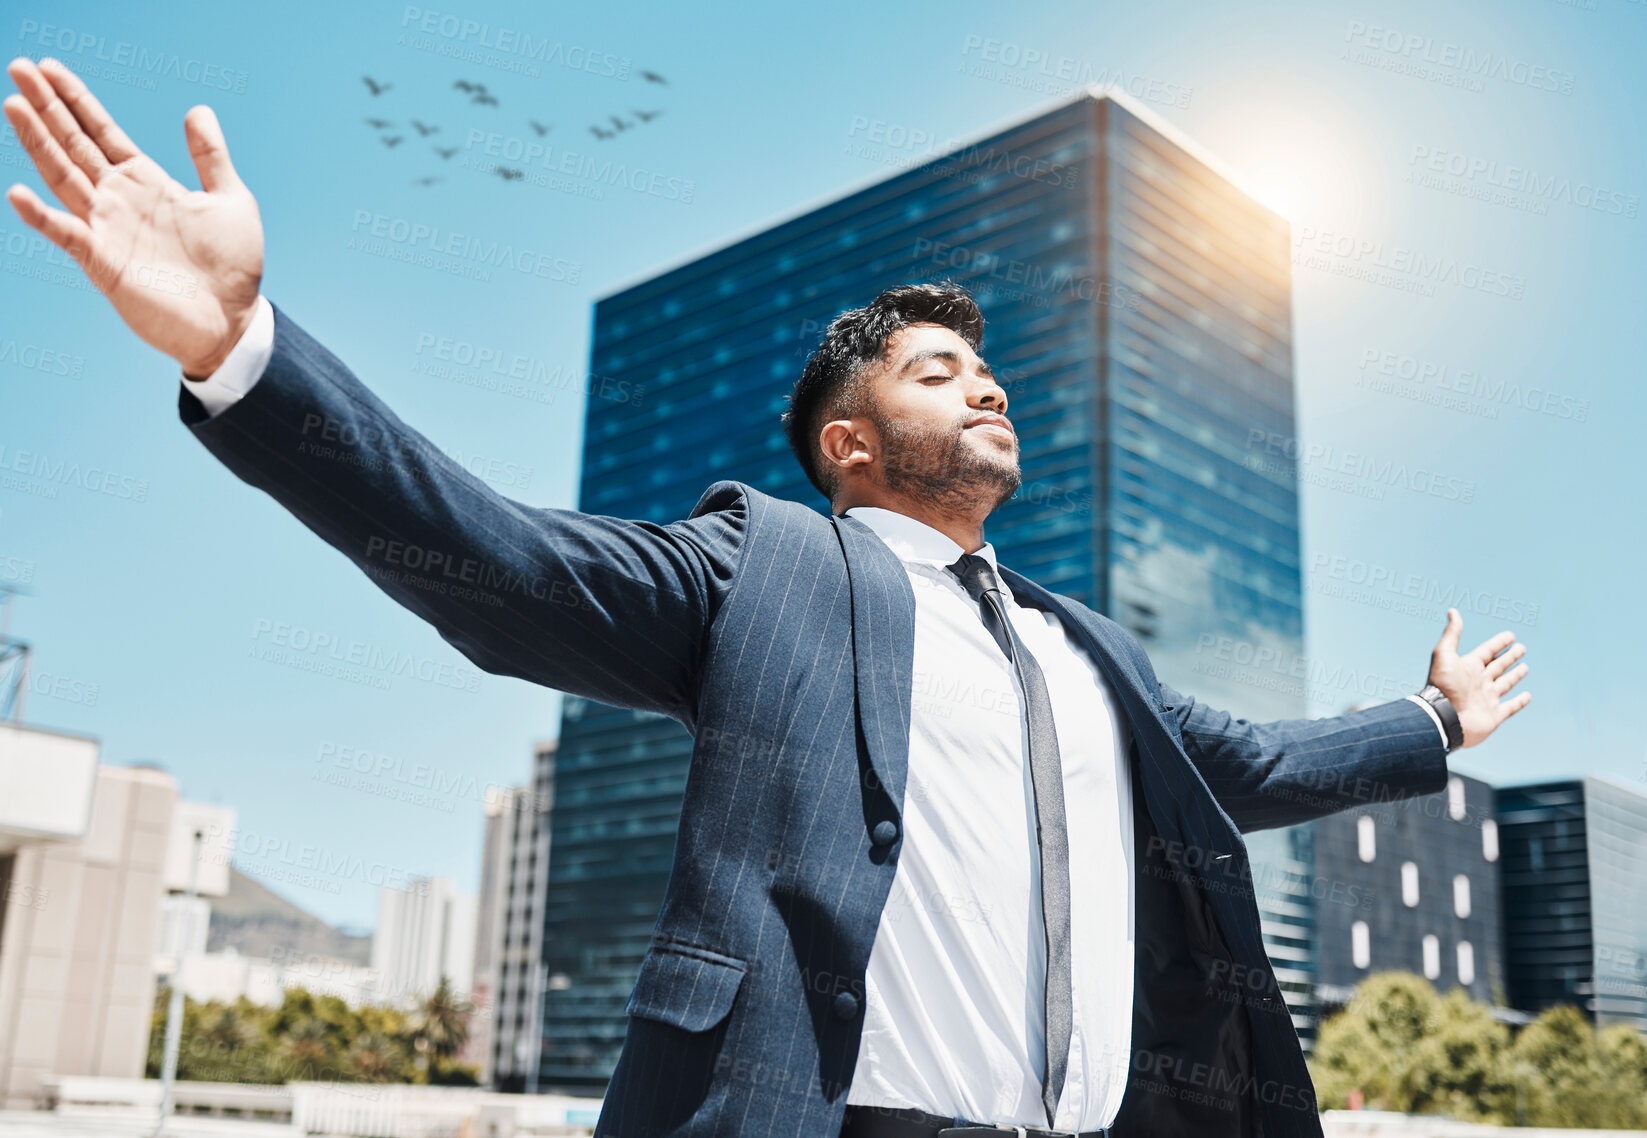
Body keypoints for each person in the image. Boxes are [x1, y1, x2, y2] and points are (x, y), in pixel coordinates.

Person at [3, 58, 1531, 1138]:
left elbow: (1248, 765)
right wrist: (246, 356)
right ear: (849, 446)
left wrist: (1430, 721)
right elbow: (504, 565)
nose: (984, 381)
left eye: (986, 366)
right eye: (937, 370)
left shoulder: (1088, 651)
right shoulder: (771, 565)